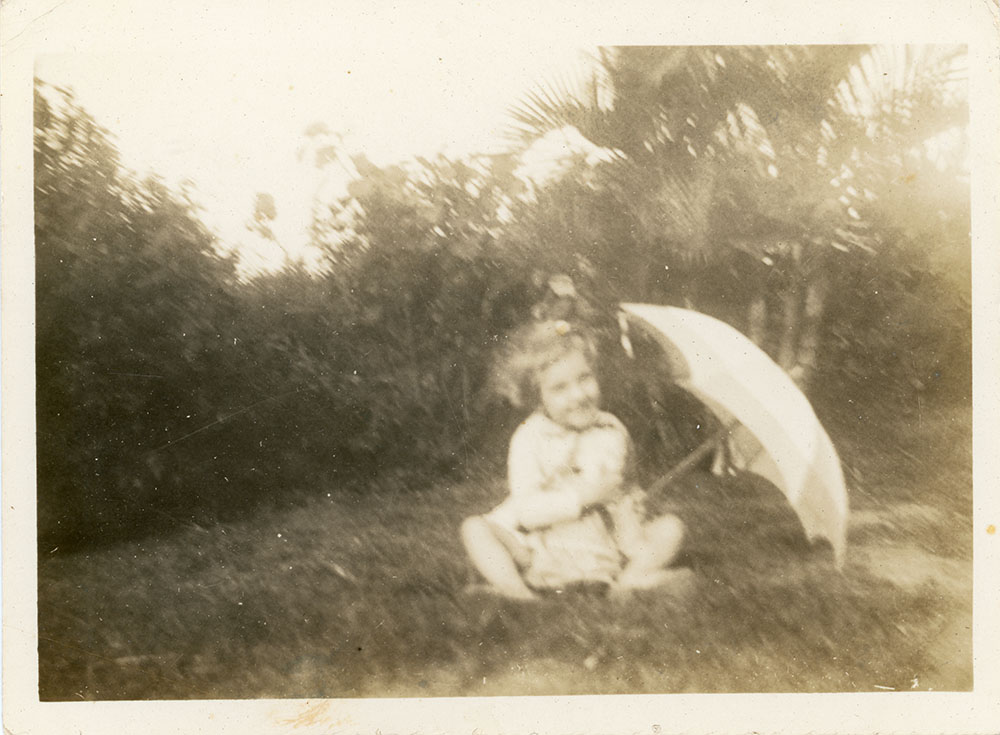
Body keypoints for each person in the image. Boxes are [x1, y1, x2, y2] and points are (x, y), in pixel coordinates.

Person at [461, 319, 689, 600]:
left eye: (585, 378)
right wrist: (584, 497)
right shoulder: (530, 438)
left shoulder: (613, 429)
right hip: (541, 551)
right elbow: (527, 511)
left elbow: (626, 482)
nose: (578, 395)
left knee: (671, 527)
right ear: (538, 397)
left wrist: (633, 499)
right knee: (475, 528)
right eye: (560, 388)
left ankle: (628, 581)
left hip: (606, 548)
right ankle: (518, 593)